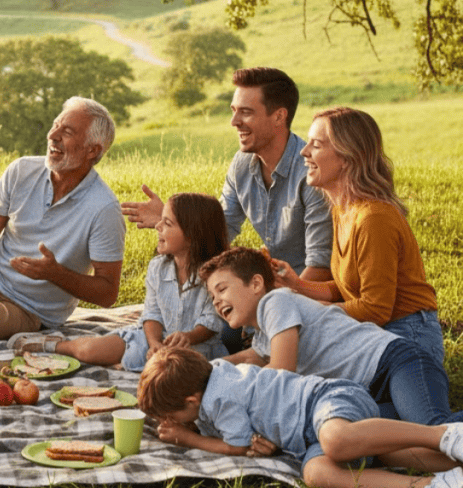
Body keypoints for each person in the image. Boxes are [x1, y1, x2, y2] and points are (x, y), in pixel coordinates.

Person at [121, 67, 333, 352]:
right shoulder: (242, 165)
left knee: (231, 335)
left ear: (279, 117)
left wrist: (265, 306)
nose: (234, 121)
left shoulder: (311, 173)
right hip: (266, 285)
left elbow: (319, 266)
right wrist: (172, 220)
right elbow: (218, 236)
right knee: (226, 331)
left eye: (245, 112)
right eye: (234, 110)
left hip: (308, 292)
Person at [137, 347, 463, 488]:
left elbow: (236, 447)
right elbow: (252, 433)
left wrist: (188, 438)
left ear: (192, 398)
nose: (175, 423)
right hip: (306, 437)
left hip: (322, 401)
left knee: (337, 441)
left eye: (173, 415)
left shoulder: (221, 397)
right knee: (317, 474)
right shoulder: (209, 380)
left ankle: (445, 435)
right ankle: (436, 487)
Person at [0, 96, 126, 342]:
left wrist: (55, 273)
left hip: (24, 309)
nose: (52, 135)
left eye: (66, 131)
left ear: (93, 150)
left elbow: (108, 293)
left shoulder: (104, 209)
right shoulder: (21, 170)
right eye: (55, 125)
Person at [199, 247, 462, 426]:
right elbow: (250, 357)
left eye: (221, 289)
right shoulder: (262, 335)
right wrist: (203, 370)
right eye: (212, 297)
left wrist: (230, 392)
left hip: (395, 364)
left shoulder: (275, 302)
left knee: (433, 428)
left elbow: (280, 372)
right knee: (398, 437)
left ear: (256, 284)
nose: (217, 301)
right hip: (368, 391)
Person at [272, 107, 443, 363]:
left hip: (408, 334)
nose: (304, 152)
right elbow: (346, 289)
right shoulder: (343, 210)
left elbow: (375, 308)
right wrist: (297, 286)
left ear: (347, 157)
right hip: (375, 332)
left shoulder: (374, 218)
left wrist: (306, 311)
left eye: (316, 145)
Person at [8, 192, 227, 370]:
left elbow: (212, 321)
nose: (157, 226)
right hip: (153, 340)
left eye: (167, 223)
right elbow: (151, 313)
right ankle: (53, 345)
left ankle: (128, 365)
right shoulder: (158, 267)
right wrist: (154, 344)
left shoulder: (214, 275)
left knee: (172, 375)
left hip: (196, 350)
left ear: (191, 236)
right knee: (89, 352)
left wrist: (188, 337)